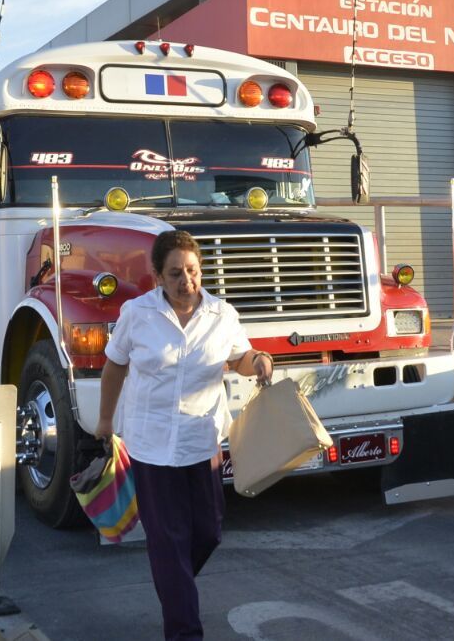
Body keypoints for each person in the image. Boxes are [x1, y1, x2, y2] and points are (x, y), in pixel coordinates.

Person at [96, 230, 273, 641]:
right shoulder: (136, 314)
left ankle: (171, 578)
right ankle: (184, 629)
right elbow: (114, 367)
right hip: (151, 444)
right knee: (169, 537)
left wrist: (259, 360)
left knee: (207, 531)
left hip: (200, 440)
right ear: (157, 276)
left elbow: (239, 357)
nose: (186, 281)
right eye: (174, 273)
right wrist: (105, 421)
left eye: (192, 271)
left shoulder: (221, 314)